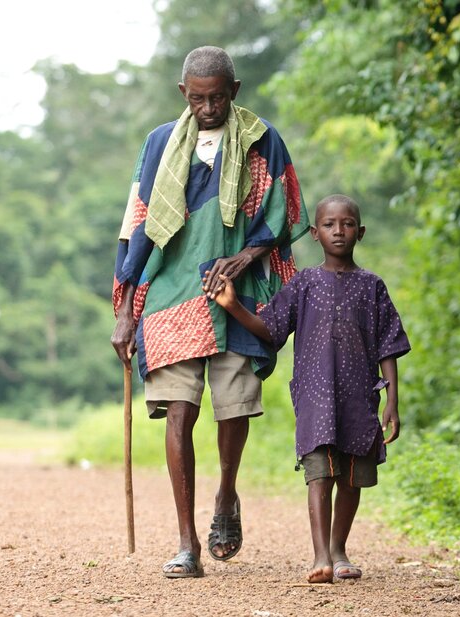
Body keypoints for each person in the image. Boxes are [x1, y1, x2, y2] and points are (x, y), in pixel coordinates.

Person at [111, 46, 309, 578]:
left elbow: (284, 211)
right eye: (197, 98)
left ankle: (225, 495)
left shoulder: (263, 139)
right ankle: (186, 543)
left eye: (217, 97)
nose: (208, 107)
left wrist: (245, 257)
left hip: (237, 296)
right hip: (172, 293)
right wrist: (126, 309)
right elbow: (137, 225)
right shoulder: (158, 144)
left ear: (234, 91)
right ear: (183, 94)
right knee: (179, 410)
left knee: (235, 408)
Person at [206, 194, 410, 583]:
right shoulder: (304, 283)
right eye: (330, 225)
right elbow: (273, 329)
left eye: (347, 224)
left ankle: (339, 550)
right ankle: (320, 556)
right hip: (315, 399)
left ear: (360, 232)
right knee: (319, 475)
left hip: (360, 399)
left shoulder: (372, 286)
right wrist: (233, 307)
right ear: (315, 233)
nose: (339, 231)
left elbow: (389, 346)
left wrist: (392, 403)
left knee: (352, 478)